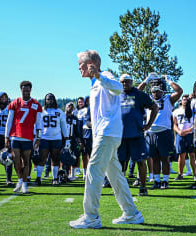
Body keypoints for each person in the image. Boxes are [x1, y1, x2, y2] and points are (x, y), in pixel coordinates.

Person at [69, 50, 143, 229]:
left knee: (93, 172)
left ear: (91, 64)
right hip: (105, 135)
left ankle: (91, 216)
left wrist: (99, 76)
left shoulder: (105, 76)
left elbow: (118, 88)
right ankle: (131, 213)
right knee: (115, 175)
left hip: (107, 134)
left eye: (81, 64)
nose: (79, 68)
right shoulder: (95, 83)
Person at [138, 73, 183, 189]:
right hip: (151, 132)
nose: (155, 92)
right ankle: (157, 181)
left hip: (164, 131)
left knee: (165, 158)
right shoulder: (148, 99)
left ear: (162, 89)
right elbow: (136, 93)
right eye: (153, 90)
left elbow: (179, 91)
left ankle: (165, 181)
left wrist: (169, 80)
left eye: (158, 89)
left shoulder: (168, 98)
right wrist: (146, 80)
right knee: (155, 158)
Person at [118, 74, 158, 196]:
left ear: (132, 82)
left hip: (136, 135)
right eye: (122, 82)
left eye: (127, 82)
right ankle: (121, 187)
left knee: (141, 161)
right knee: (120, 162)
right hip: (121, 135)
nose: (125, 84)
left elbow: (155, 107)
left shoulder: (139, 94)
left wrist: (149, 125)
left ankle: (143, 187)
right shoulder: (116, 95)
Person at [5, 81, 42, 194]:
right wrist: (6, 136)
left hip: (28, 137)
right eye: (24, 90)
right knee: (16, 159)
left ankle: (24, 184)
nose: (26, 92)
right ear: (20, 89)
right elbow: (9, 120)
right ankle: (20, 180)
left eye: (27, 90)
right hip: (15, 136)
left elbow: (39, 123)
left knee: (26, 161)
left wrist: (38, 138)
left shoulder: (36, 104)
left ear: (31, 90)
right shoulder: (15, 103)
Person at [35, 93, 69, 186]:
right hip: (44, 138)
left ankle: (54, 178)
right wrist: (37, 137)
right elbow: (37, 125)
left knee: (55, 159)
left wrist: (66, 138)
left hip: (56, 138)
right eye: (47, 99)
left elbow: (64, 127)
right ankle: (38, 177)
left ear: (54, 100)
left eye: (51, 99)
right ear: (45, 100)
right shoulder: (41, 111)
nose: (49, 100)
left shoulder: (60, 112)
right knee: (42, 158)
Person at [173, 94, 196, 181]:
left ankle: (195, 173)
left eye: (187, 100)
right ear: (181, 101)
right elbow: (174, 124)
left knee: (192, 155)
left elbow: (195, 123)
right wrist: (179, 131)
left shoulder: (193, 111)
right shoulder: (176, 111)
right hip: (180, 135)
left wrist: (187, 131)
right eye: (184, 99)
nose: (185, 101)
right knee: (181, 155)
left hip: (191, 134)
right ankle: (180, 174)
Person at [65, 102, 81, 181]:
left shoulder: (75, 118)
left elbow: (77, 130)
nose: (70, 108)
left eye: (72, 107)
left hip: (73, 139)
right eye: (69, 106)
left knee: (73, 156)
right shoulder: (63, 117)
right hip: (64, 139)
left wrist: (78, 140)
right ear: (66, 107)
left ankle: (73, 174)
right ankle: (65, 174)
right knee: (64, 157)